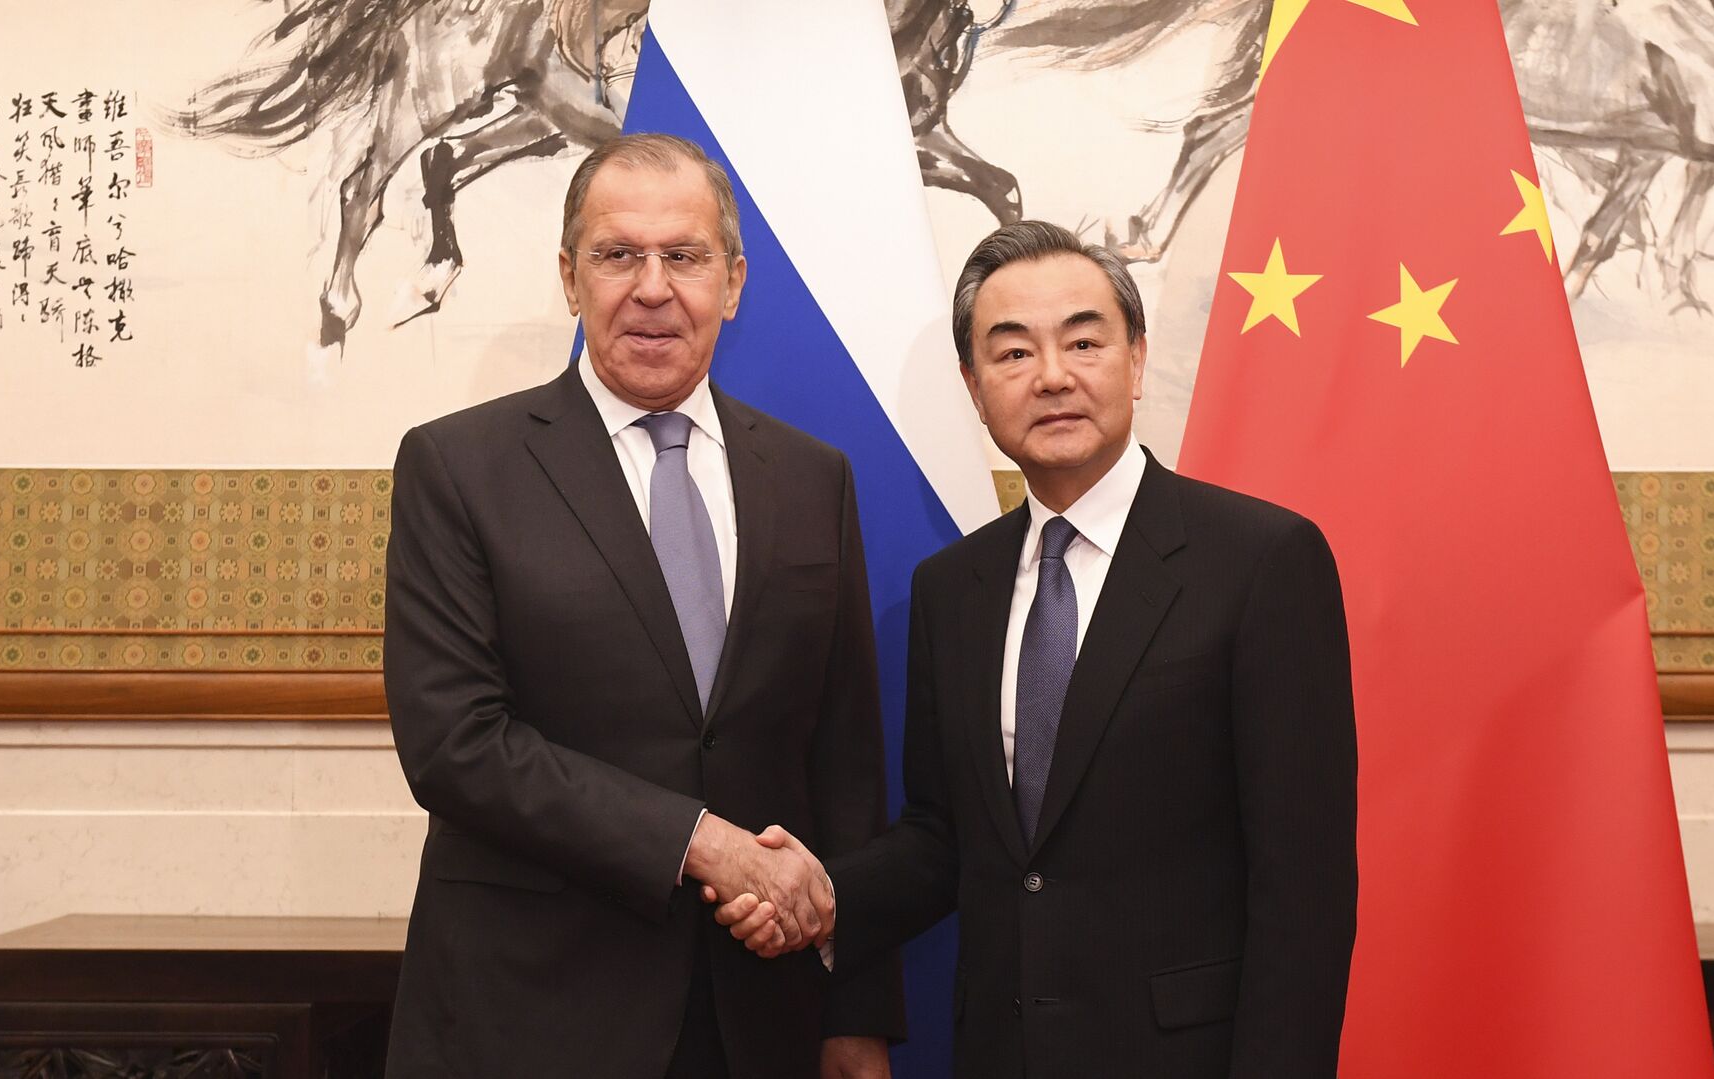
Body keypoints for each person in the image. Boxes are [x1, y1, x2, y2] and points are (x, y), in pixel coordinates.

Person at [714, 220, 1357, 1076]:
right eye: (1013, 352)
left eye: (1084, 341)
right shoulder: (953, 589)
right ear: (974, 389)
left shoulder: (1262, 561)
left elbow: (1304, 889)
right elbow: (947, 839)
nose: (1052, 375)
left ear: (1136, 358)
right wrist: (825, 893)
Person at [382, 133, 899, 1079]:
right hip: (532, 1018)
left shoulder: (811, 477)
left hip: (760, 1018)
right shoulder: (458, 467)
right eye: (618, 254)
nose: (652, 288)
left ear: (732, 283)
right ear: (570, 279)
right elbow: (455, 745)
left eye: (685, 256)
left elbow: (846, 759)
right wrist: (699, 842)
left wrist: (856, 1012)